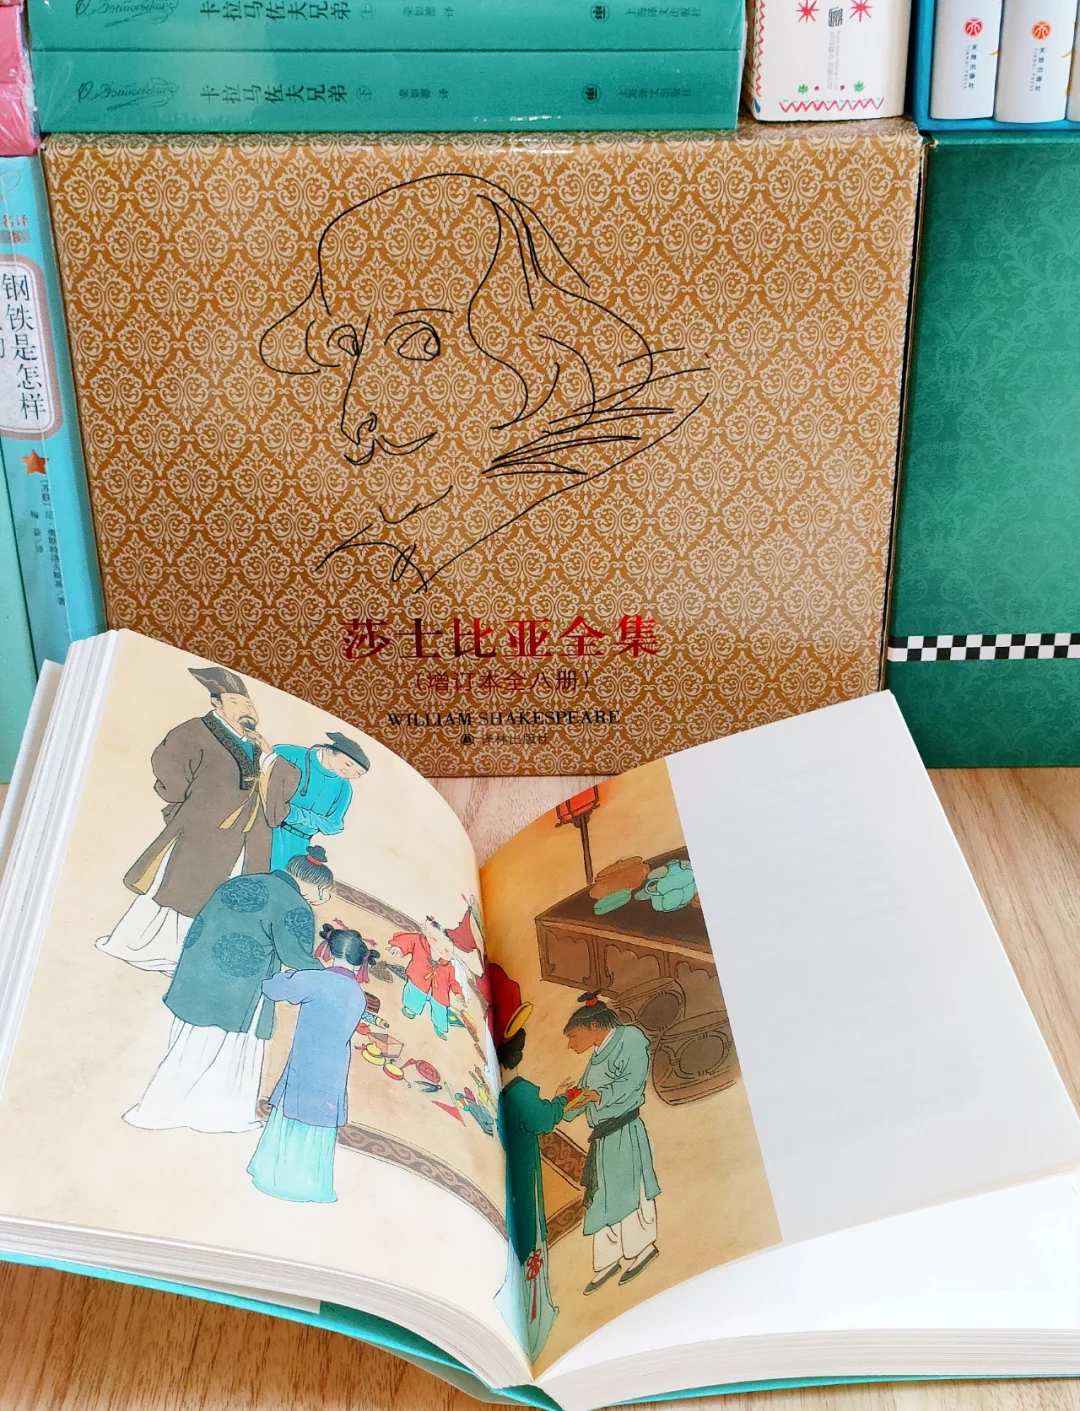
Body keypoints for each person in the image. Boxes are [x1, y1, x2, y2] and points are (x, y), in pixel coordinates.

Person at [259, 175, 710, 593]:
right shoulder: (393, 544)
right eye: (353, 346)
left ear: (517, 343)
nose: (354, 414)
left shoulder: (577, 495)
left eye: (418, 344)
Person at [97, 665, 300, 976]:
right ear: (216, 703)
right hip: (203, 827)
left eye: (249, 704)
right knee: (178, 887)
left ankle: (184, 959)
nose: (246, 710)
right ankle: (141, 947)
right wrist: (190, 802)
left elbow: (281, 782)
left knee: (219, 897)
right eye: (236, 702)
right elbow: (167, 764)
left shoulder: (258, 745)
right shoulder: (194, 730)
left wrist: (269, 756)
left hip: (246, 838)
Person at [123, 846, 333, 1134]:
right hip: (239, 988)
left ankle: (160, 1108)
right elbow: (297, 957)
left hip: (197, 972)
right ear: (313, 885)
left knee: (188, 1043)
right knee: (223, 1050)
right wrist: (328, 976)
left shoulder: (242, 881)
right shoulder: (295, 905)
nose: (324, 897)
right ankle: (214, 1115)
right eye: (324, 891)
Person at [247, 926, 372, 1203]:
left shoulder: (316, 979)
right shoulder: (357, 994)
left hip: (307, 1060)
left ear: (328, 950)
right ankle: (311, 1185)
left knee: (294, 1114)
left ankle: (276, 1177)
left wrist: (288, 974)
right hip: (334, 1068)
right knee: (319, 1121)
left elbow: (273, 988)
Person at [562, 991, 660, 1294]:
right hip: (603, 1139)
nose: (571, 1044)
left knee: (630, 1191)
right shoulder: (597, 1054)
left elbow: (632, 1081)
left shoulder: (630, 1038)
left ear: (593, 1026)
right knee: (601, 1198)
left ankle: (642, 1248)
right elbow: (584, 1091)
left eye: (573, 1036)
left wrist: (599, 1095)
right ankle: (607, 1260)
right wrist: (565, 1105)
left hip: (624, 1129)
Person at [497, 1012, 573, 1361]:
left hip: (508, 1167)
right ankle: (534, 1317)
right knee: (531, 1236)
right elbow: (544, 1120)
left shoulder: (503, 1092)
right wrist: (563, 1100)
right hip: (525, 1171)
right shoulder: (522, 1091)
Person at [269, 731, 370, 870]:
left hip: (300, 843)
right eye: (348, 764)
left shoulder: (344, 788)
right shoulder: (289, 754)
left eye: (358, 773)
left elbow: (334, 825)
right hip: (266, 829)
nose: (351, 773)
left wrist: (296, 814)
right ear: (329, 752)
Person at [390, 917, 464, 1040]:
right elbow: (406, 941)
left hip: (439, 991)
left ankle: (440, 1026)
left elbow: (453, 981)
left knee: (440, 1008)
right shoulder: (419, 942)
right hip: (418, 981)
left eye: (446, 948)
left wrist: (458, 993)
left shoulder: (449, 966)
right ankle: (411, 1009)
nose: (440, 948)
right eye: (436, 940)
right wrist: (398, 949)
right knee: (414, 994)